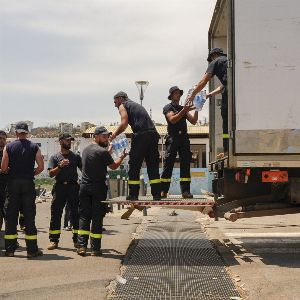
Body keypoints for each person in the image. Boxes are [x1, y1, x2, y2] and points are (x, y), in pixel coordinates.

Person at [77, 126, 127, 256]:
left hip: (84, 187)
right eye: (104, 136)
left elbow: (97, 161)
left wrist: (107, 153)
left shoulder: (86, 150)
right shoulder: (102, 151)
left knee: (84, 216)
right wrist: (121, 157)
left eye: (107, 136)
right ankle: (95, 249)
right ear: (96, 136)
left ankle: (81, 246)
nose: (106, 139)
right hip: (98, 188)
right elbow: (113, 166)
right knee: (97, 217)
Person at [1, 122, 44, 258]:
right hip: (27, 184)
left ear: (16, 132)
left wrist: (11, 171)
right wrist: (32, 173)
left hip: (12, 184)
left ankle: (10, 250)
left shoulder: (8, 146)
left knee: (11, 217)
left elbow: (3, 168)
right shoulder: (34, 146)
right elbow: (41, 167)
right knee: (29, 217)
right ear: (27, 132)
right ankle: (32, 251)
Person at [111, 91, 161, 200]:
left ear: (120, 98)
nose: (115, 105)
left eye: (115, 102)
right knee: (152, 165)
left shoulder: (123, 105)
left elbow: (124, 123)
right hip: (153, 135)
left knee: (134, 165)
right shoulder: (136, 105)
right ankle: (157, 194)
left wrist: (114, 135)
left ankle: (133, 194)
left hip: (141, 135)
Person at [187, 47, 228, 158]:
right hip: (233, 93)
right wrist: (209, 95)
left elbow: (203, 81)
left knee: (226, 123)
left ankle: (227, 152)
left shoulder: (215, 62)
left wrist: (193, 94)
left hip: (228, 95)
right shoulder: (228, 61)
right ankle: (229, 150)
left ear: (213, 56)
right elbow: (223, 86)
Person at [161, 86, 198, 198]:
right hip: (173, 137)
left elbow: (194, 121)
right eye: (176, 93)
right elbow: (173, 119)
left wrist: (197, 109)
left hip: (184, 138)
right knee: (169, 163)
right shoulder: (168, 107)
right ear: (171, 95)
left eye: (179, 93)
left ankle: (185, 191)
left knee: (186, 164)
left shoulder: (183, 108)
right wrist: (185, 110)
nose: (178, 95)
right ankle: (163, 190)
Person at [47, 133, 82, 250]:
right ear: (61, 141)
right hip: (60, 187)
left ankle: (77, 240)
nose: (69, 143)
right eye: (67, 141)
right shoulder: (54, 157)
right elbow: (51, 174)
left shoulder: (76, 157)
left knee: (75, 214)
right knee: (56, 214)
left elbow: (84, 169)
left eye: (70, 141)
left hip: (73, 187)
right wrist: (60, 166)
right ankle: (53, 240)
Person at [0, 130, 8, 230]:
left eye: (3, 139)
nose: (2, 141)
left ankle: (11, 239)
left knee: (9, 213)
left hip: (8, 187)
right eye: (0, 138)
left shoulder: (9, 152)